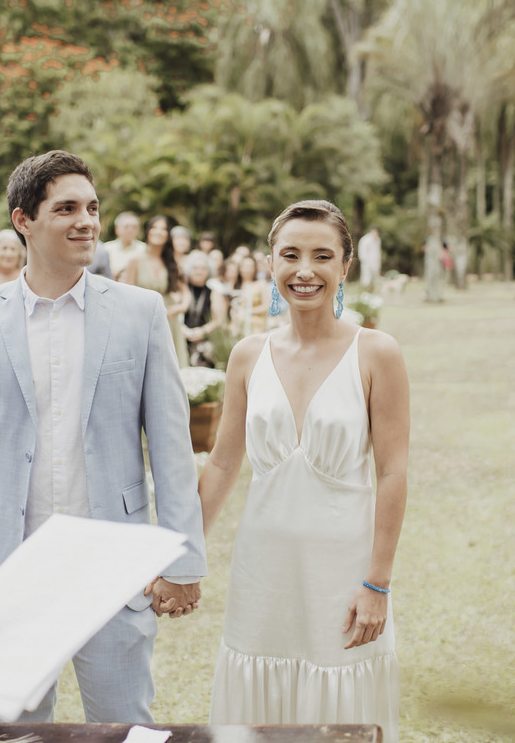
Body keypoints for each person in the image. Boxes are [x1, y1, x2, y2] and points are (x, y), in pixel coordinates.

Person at [0, 150, 207, 723]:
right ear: (22, 220)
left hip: (113, 561)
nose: (87, 221)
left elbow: (173, 447)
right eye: (67, 209)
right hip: (6, 569)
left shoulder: (141, 312)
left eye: (93, 208)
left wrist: (184, 560)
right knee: (12, 733)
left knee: (125, 727)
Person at [198, 199, 408, 741]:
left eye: (322, 255)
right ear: (271, 264)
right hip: (261, 569)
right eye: (290, 254)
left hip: (343, 571)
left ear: (345, 265)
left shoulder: (377, 353)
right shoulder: (248, 354)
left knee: (339, 708)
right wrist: (182, 552)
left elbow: (392, 473)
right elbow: (223, 462)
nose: (304, 270)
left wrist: (377, 584)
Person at [120, 215, 190, 367]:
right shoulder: (136, 260)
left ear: (168, 235)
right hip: (144, 320)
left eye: (163, 229)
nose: (158, 232)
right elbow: (127, 295)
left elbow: (185, 291)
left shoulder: (171, 262)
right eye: (155, 227)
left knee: (171, 367)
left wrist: (181, 307)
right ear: (148, 231)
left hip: (169, 320)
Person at [181, 251, 227, 367]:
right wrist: (184, 330)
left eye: (203, 268)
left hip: (205, 343)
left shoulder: (214, 294)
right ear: (189, 270)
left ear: (209, 272)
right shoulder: (181, 290)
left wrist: (203, 331)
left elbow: (219, 320)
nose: (199, 271)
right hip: (181, 338)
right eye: (195, 268)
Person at [103, 210, 146, 279]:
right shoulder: (106, 249)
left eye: (134, 227)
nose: (130, 230)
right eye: (126, 227)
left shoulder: (144, 249)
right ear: (117, 229)